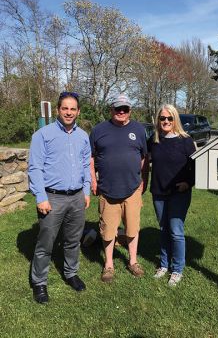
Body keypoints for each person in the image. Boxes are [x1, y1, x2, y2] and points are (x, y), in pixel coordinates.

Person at [28, 92, 91, 304]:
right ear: (58, 110)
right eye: (65, 108)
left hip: (76, 197)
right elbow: (34, 167)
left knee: (73, 240)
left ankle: (71, 273)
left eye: (73, 109)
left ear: (78, 111)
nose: (69, 112)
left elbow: (85, 165)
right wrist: (40, 197)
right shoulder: (43, 135)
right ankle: (39, 282)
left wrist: (86, 191)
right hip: (52, 197)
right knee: (46, 243)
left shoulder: (83, 136)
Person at [90, 94, 148, 283]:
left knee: (132, 229)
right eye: (118, 108)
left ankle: (133, 261)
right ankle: (108, 265)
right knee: (107, 231)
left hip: (132, 189)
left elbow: (144, 158)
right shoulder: (99, 130)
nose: (121, 112)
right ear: (111, 109)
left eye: (125, 109)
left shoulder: (139, 130)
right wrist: (93, 180)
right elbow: (91, 158)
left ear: (130, 110)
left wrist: (144, 180)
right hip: (107, 190)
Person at [148, 104, 195, 286]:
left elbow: (197, 166)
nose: (166, 121)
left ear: (175, 119)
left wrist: (188, 183)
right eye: (162, 118)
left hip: (179, 193)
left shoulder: (185, 140)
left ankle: (177, 270)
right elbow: (142, 158)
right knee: (163, 229)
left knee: (176, 232)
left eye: (170, 118)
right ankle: (164, 265)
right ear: (158, 120)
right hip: (158, 192)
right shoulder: (154, 140)